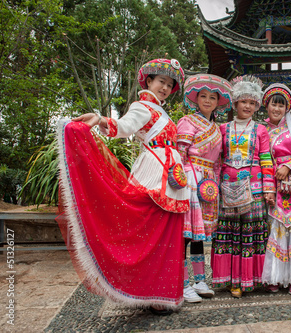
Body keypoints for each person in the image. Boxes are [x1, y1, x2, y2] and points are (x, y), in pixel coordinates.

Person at [56, 58, 188, 315]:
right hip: (154, 173)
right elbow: (125, 127)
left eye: (170, 85)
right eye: (161, 81)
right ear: (149, 80)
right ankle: (149, 291)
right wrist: (100, 118)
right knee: (152, 235)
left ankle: (160, 293)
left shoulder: (162, 111)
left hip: (172, 175)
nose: (165, 88)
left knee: (166, 237)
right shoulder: (142, 107)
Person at [211, 75, 276, 298]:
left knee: (252, 232)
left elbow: (266, 159)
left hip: (255, 187)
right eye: (243, 102)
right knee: (231, 233)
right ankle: (233, 280)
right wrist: (212, 186)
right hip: (227, 186)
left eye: (252, 103)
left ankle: (255, 278)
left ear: (257, 106)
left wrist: (269, 188)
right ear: (235, 103)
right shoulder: (221, 129)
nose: (247, 106)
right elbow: (217, 159)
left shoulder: (261, 130)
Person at [177, 74, 232, 302]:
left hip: (208, 182)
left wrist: (216, 184)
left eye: (212, 97)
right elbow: (179, 156)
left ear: (218, 102)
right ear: (196, 99)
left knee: (199, 235)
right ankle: (182, 283)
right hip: (190, 178)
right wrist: (178, 182)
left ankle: (200, 280)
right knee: (185, 234)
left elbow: (218, 161)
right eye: (203, 96)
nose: (208, 100)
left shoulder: (217, 128)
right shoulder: (187, 122)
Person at [260, 83, 291, 295]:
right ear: (267, 105)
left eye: (282, 105)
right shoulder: (261, 130)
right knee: (276, 230)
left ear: (287, 108)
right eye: (274, 104)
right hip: (273, 184)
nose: (277, 109)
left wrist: (288, 166)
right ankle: (274, 277)